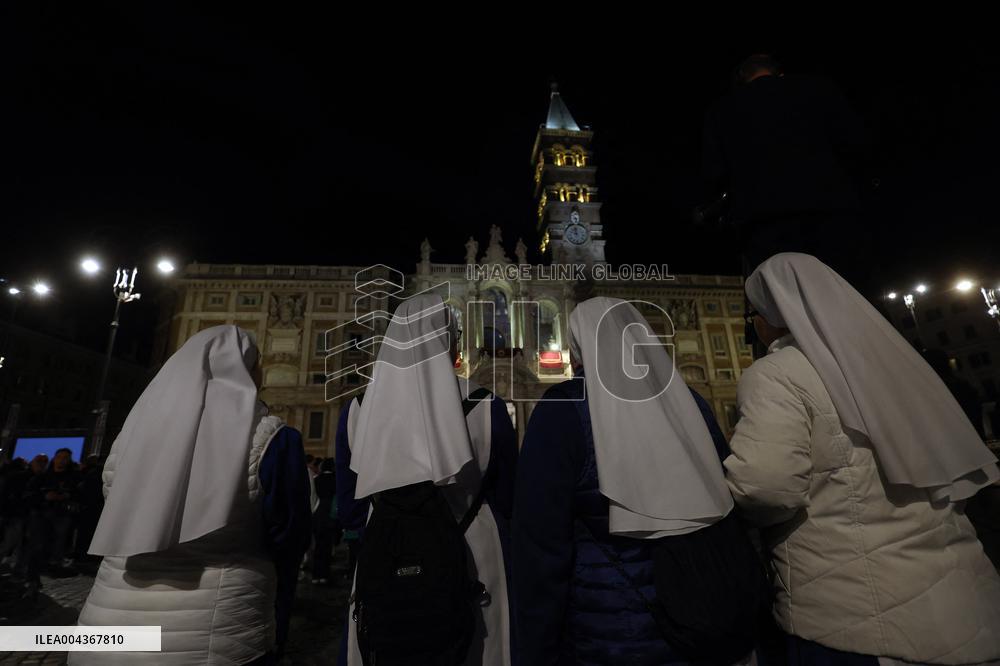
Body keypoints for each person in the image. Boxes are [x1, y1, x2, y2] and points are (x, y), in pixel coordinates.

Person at [725, 253, 1000, 665]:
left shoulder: (777, 372)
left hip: (856, 616)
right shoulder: (893, 363)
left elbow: (766, 488)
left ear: (771, 315)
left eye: (754, 314)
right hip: (967, 603)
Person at [513, 297, 751, 666]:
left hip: (606, 631)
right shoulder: (690, 403)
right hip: (700, 617)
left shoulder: (562, 410)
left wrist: (535, 651)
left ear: (579, 348)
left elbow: (540, 551)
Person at [71, 325, 312, 665]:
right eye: (258, 363)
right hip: (217, 634)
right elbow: (289, 535)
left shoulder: (128, 440)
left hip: (107, 626)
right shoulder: (275, 439)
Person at [336, 294, 517, 666]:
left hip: (385, 553)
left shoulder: (356, 410)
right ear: (449, 342)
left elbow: (350, 506)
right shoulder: (487, 406)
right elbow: (509, 497)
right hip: (473, 556)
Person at [702, 55, 870, 280]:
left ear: (741, 82)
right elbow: (854, 142)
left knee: (790, 293)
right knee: (851, 284)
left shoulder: (721, 110)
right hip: (831, 207)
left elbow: (714, 172)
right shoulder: (817, 88)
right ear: (780, 75)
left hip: (763, 222)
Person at [24, 447, 79, 579]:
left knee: (57, 543)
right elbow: (29, 494)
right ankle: (33, 572)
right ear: (55, 458)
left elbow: (79, 494)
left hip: (61, 514)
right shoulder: (43, 477)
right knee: (37, 544)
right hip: (41, 513)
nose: (62, 461)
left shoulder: (73, 478)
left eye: (65, 458)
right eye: (60, 457)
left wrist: (66, 496)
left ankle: (52, 566)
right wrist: (45, 496)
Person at [311, 457, 340, 584]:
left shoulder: (316, 479)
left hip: (319, 512)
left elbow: (313, 496)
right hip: (331, 513)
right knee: (327, 546)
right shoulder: (336, 480)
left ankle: (315, 575)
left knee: (317, 545)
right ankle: (324, 574)